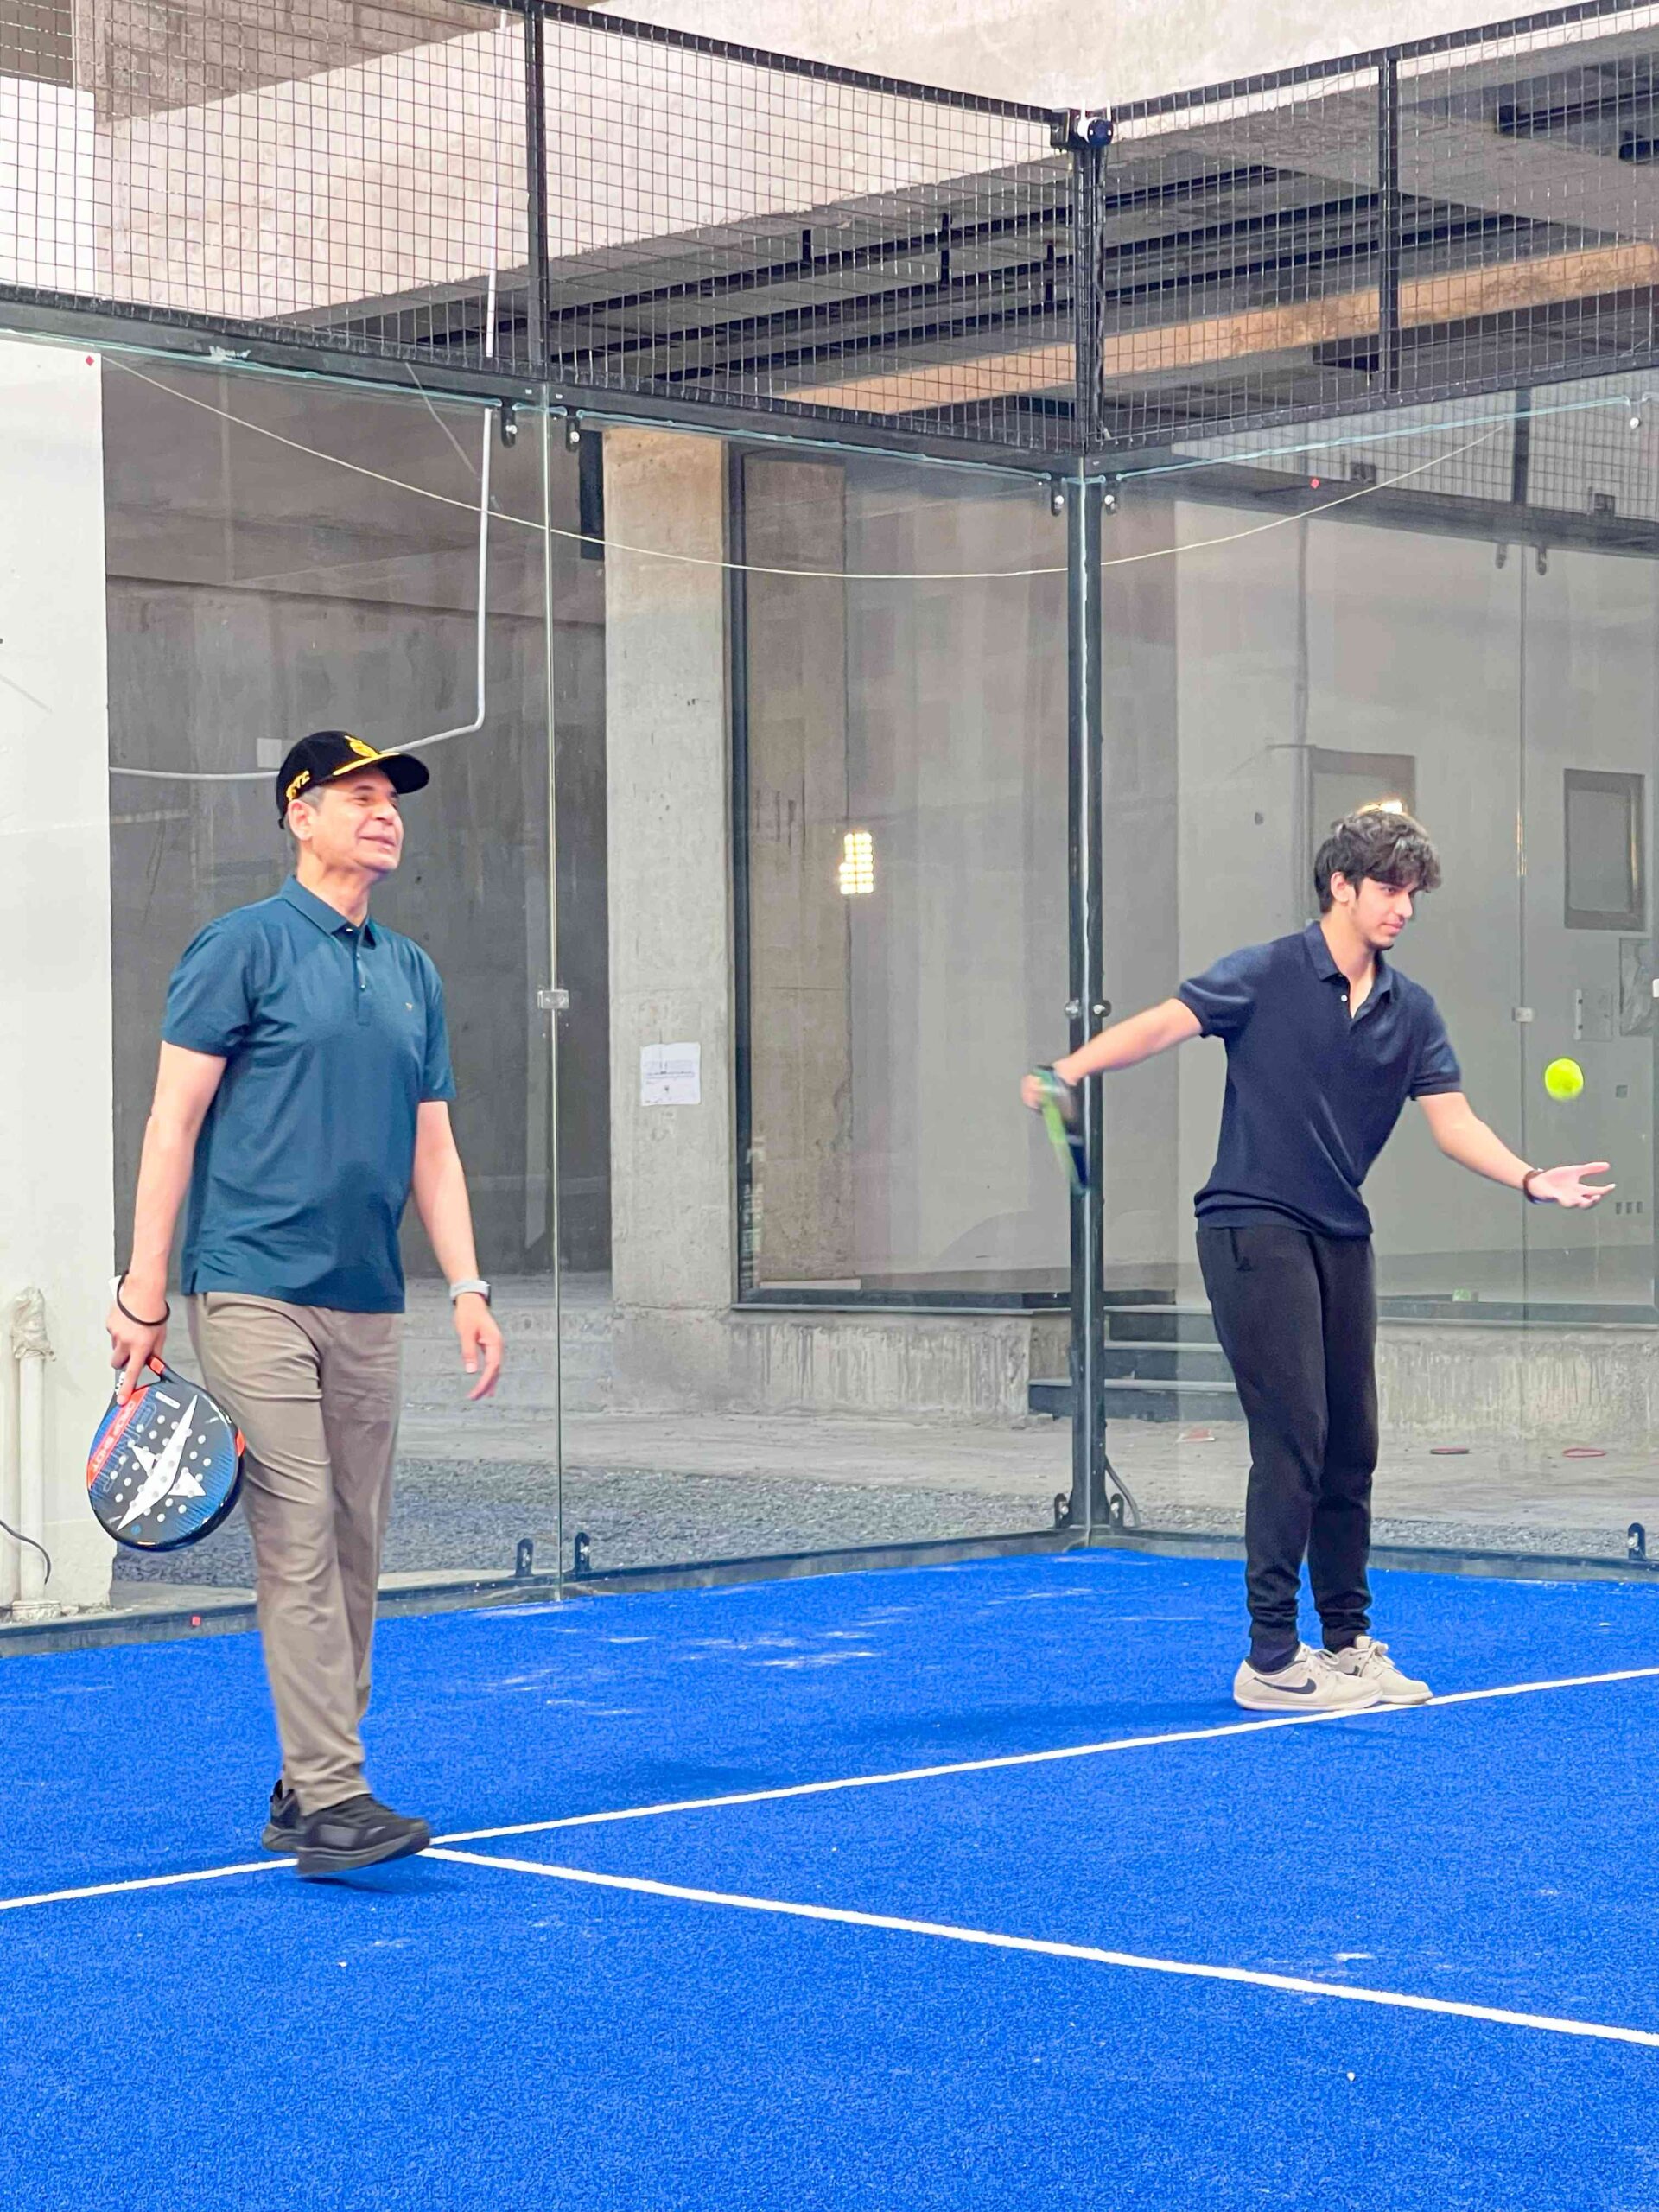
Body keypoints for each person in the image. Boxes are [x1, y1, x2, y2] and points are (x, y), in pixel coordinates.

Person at [1023, 808, 1610, 1714]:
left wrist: (1532, 1180)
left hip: (1341, 1234)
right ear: (1341, 885)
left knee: (1351, 1446)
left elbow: (1452, 1122)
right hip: (1251, 1224)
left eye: (1412, 894)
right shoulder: (1265, 973)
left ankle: (1345, 1645)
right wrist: (1070, 1071)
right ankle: (1269, 1657)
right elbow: (1162, 1026)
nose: (1403, 907)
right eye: (1389, 888)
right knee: (1294, 1436)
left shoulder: (1411, 1011)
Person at [105, 730, 505, 1877]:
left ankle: (305, 1779)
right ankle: (333, 1798)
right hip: (250, 1289)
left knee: (355, 1545)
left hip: (367, 1297)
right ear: (300, 814)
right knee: (296, 1534)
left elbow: (434, 1149)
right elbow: (171, 1123)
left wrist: (468, 1286)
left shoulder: (413, 971)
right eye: (360, 795)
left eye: (394, 800)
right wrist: (142, 1293)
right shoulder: (242, 947)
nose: (385, 813)